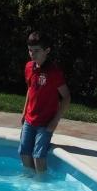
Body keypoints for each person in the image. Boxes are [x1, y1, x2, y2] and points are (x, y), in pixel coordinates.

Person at [18, 31, 71, 173]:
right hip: (30, 120)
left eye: (36, 51)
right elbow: (30, 89)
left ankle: (41, 184)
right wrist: (24, 112)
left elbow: (66, 97)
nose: (32, 54)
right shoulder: (29, 67)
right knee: (23, 152)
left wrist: (55, 121)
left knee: (39, 157)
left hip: (45, 123)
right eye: (30, 50)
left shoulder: (54, 72)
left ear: (47, 51)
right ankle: (30, 180)